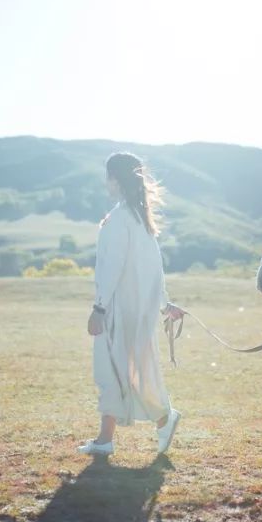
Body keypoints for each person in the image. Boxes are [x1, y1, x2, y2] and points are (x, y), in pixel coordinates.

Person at [78, 152, 185, 456]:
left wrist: (99, 308)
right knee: (120, 370)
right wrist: (164, 303)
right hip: (135, 310)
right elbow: (155, 269)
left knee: (115, 369)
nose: (106, 181)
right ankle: (105, 439)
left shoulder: (122, 218)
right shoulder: (139, 219)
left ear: (115, 178)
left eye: (108, 175)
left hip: (117, 310)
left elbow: (111, 267)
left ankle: (164, 418)